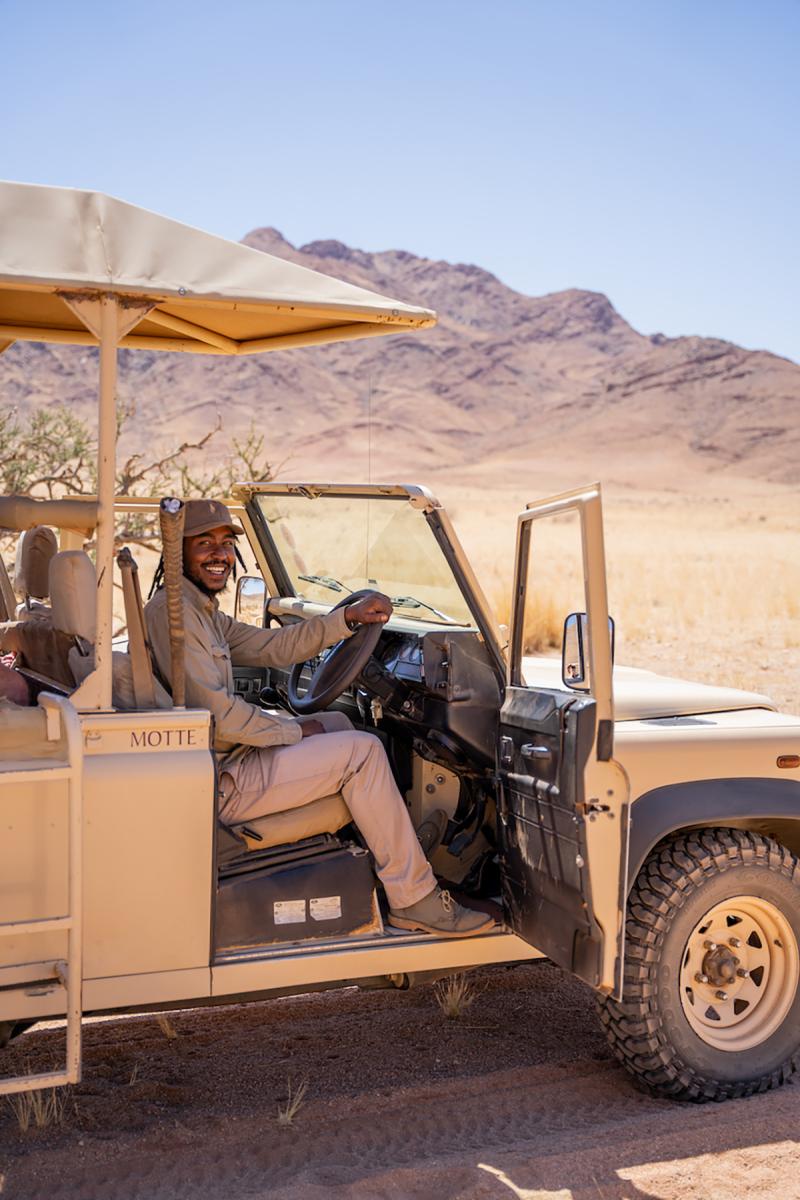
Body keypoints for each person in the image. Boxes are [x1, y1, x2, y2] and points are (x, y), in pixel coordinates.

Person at [145, 499, 494, 938]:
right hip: (214, 780)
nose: (219, 554)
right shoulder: (173, 614)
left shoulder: (200, 610)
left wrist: (345, 620)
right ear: (177, 551)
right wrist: (290, 729)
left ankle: (385, 870)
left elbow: (274, 648)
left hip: (216, 764)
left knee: (340, 726)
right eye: (204, 544)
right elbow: (218, 717)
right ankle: (415, 899)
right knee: (364, 751)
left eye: (226, 544)